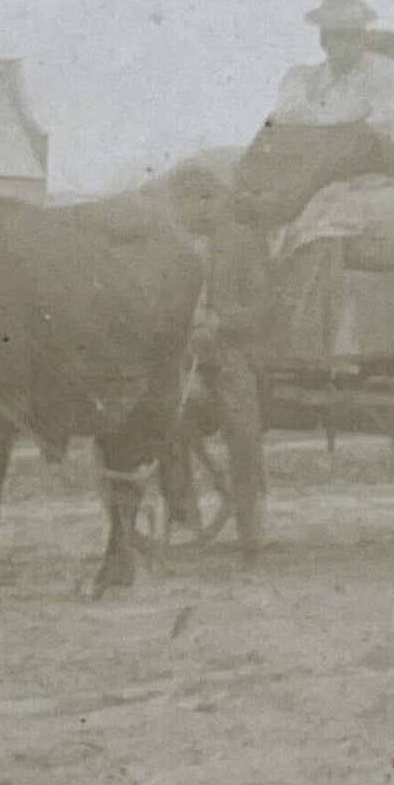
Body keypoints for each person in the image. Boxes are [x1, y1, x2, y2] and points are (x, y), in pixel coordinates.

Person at [166, 162, 271, 563]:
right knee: (168, 420)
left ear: (212, 200)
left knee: (242, 429)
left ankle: (249, 524)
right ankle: (184, 511)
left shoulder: (242, 243)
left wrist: (222, 322)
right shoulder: (181, 247)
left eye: (195, 202)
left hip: (232, 352)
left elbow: (262, 308)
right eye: (182, 205)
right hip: (187, 355)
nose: (189, 214)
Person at [270, 0, 394, 141]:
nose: (349, 43)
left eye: (356, 34)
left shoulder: (381, 69)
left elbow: (387, 125)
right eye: (340, 35)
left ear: (364, 37)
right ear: (324, 40)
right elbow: (283, 124)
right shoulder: (301, 78)